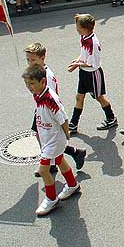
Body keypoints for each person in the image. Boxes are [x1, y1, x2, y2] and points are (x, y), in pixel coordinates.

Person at [22, 64, 80, 216]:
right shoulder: (38, 96)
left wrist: (67, 134)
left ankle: (51, 199)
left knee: (43, 170)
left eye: (32, 83)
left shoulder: (50, 99)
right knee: (60, 160)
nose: (29, 87)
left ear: (43, 81)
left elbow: (63, 118)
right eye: (27, 84)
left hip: (54, 140)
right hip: (48, 138)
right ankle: (72, 185)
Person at [23, 42, 86, 177]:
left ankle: (52, 163)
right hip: (41, 109)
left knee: (49, 138)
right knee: (42, 136)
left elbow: (50, 96)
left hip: (48, 111)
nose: (30, 63)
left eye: (33, 60)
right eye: (28, 60)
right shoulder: (36, 73)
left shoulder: (46, 76)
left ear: (42, 58)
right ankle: (60, 158)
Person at [67, 13, 117, 132]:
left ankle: (111, 117)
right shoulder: (84, 37)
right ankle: (73, 123)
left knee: (99, 97)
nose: (76, 29)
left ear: (84, 29)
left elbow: (92, 64)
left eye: (77, 27)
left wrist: (77, 64)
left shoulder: (93, 43)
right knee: (79, 97)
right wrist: (78, 60)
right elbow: (84, 54)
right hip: (84, 73)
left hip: (93, 74)